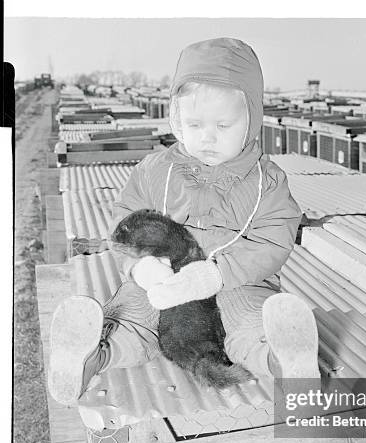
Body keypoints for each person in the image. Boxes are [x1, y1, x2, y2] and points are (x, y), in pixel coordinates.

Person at [48, 37, 320, 417]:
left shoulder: (267, 181)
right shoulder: (155, 170)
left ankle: (283, 359)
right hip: (161, 280)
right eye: (194, 124)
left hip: (235, 283)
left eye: (223, 125)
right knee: (134, 316)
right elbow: (125, 221)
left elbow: (272, 241)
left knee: (246, 321)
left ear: (252, 119)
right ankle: (90, 355)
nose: (207, 136)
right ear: (177, 119)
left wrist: (216, 275)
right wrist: (140, 265)